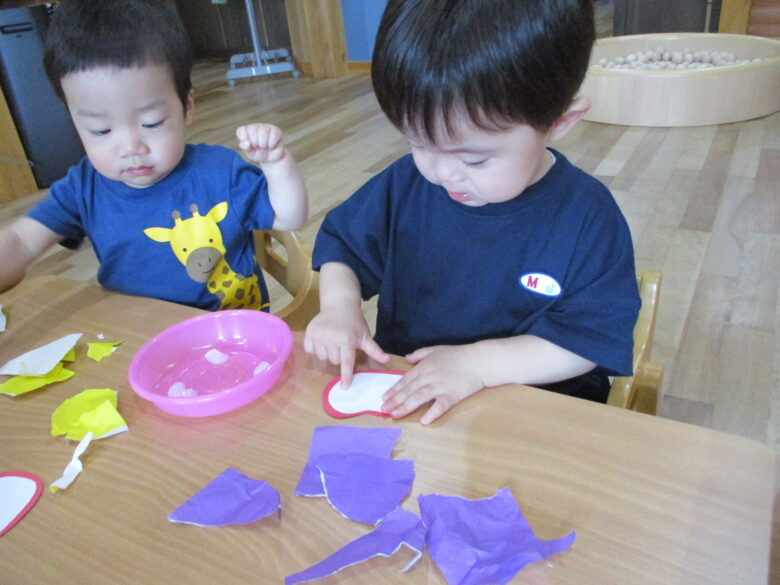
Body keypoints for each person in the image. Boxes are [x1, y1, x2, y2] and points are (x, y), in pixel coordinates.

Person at [304, 0, 640, 424]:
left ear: (559, 122)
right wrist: (339, 305)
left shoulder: (588, 218)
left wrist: (478, 365)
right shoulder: (407, 183)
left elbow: (586, 342)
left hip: (539, 413)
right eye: (419, 143)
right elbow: (344, 246)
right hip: (414, 396)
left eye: (474, 160)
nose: (442, 173)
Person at [0, 0, 308, 312]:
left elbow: (289, 216)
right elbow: (22, 241)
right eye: (100, 130)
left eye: (152, 123)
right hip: (141, 334)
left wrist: (275, 163)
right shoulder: (82, 189)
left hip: (233, 333)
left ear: (187, 107)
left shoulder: (220, 172)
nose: (131, 147)